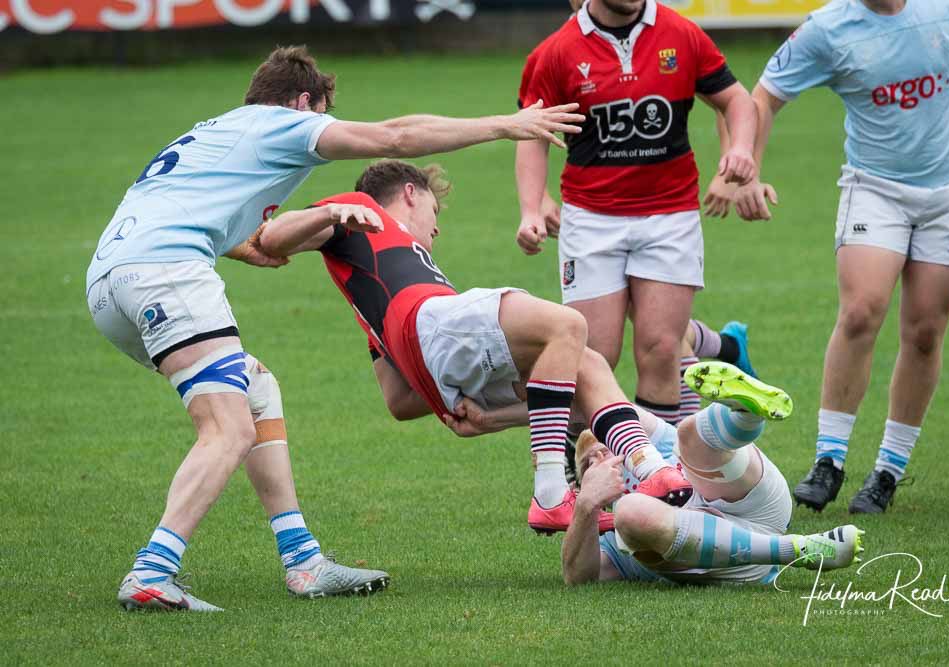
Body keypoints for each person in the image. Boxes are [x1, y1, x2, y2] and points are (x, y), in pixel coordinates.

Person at [86, 45, 585, 611]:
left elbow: (191, 206)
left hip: (109, 283)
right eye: (322, 114)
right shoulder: (282, 124)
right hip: (165, 270)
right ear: (303, 103)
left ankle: (304, 562)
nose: (325, 127)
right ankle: (152, 572)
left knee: (255, 390)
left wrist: (244, 247)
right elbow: (395, 137)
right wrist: (507, 124)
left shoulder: (219, 132)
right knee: (227, 428)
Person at [258, 160, 694, 535]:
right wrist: (334, 209)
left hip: (432, 352)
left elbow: (401, 402)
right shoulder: (364, 213)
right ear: (410, 193)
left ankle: (655, 469)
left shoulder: (378, 292)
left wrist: (493, 418)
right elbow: (273, 237)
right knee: (567, 325)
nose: (437, 226)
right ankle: (555, 492)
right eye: (433, 208)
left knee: (587, 366)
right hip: (427, 318)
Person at [734, 0, 949, 514]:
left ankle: (887, 471)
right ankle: (828, 460)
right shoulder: (828, 29)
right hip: (874, 188)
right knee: (861, 312)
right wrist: (750, 170)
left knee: (925, 332)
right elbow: (763, 96)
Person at [514, 0, 759, 435]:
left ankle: (658, 470)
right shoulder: (557, 52)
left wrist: (739, 149)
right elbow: (533, 134)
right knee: (593, 354)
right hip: (591, 220)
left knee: (661, 347)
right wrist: (532, 207)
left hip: (670, 215)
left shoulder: (681, 34)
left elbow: (736, 98)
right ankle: (575, 468)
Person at [561, 361, 864, 586]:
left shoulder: (650, 445)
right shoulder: (613, 537)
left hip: (751, 499)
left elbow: (610, 407)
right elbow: (580, 579)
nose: (600, 458)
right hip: (736, 564)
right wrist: (587, 504)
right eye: (589, 462)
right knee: (630, 512)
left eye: (603, 446)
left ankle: (745, 415)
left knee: (689, 434)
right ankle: (798, 549)